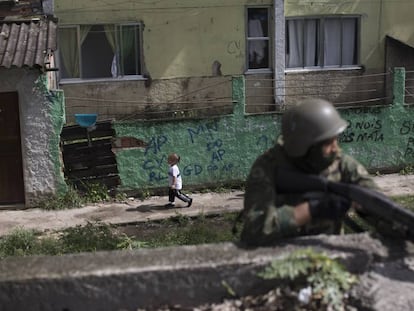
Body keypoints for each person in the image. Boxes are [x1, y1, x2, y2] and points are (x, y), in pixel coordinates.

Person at [240, 98, 379, 246]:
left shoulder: (341, 164)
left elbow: (376, 200)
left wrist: (369, 209)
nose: (336, 148)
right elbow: (254, 230)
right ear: (306, 147)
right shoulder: (269, 167)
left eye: (335, 140)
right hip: (280, 258)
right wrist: (312, 209)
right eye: (328, 143)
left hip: (329, 257)